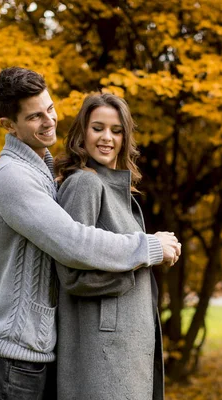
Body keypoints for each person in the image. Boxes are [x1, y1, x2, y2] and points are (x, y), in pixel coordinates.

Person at [0, 67, 181, 400]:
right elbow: (74, 243)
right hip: (14, 352)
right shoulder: (12, 177)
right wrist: (150, 249)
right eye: (34, 117)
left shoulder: (42, 172)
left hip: (38, 349)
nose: (48, 121)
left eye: (50, 109)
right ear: (9, 125)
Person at [54, 93, 171, 400]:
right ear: (82, 133)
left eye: (116, 130)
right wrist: (142, 264)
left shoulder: (117, 191)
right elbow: (72, 276)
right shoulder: (85, 185)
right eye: (98, 128)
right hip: (102, 357)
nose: (107, 138)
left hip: (124, 352)